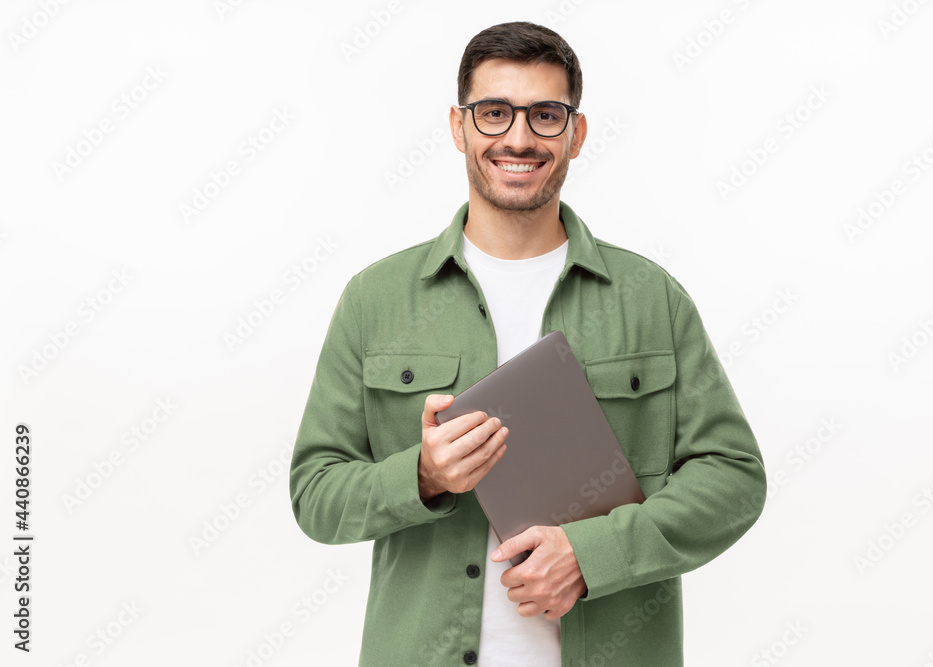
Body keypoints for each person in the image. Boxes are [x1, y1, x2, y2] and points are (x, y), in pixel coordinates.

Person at [289, 21, 766, 666]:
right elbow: (316, 495)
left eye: (546, 115)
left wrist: (593, 554)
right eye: (494, 113)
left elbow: (733, 477)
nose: (518, 137)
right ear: (459, 127)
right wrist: (422, 475)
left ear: (576, 133)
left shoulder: (650, 299)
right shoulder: (375, 300)